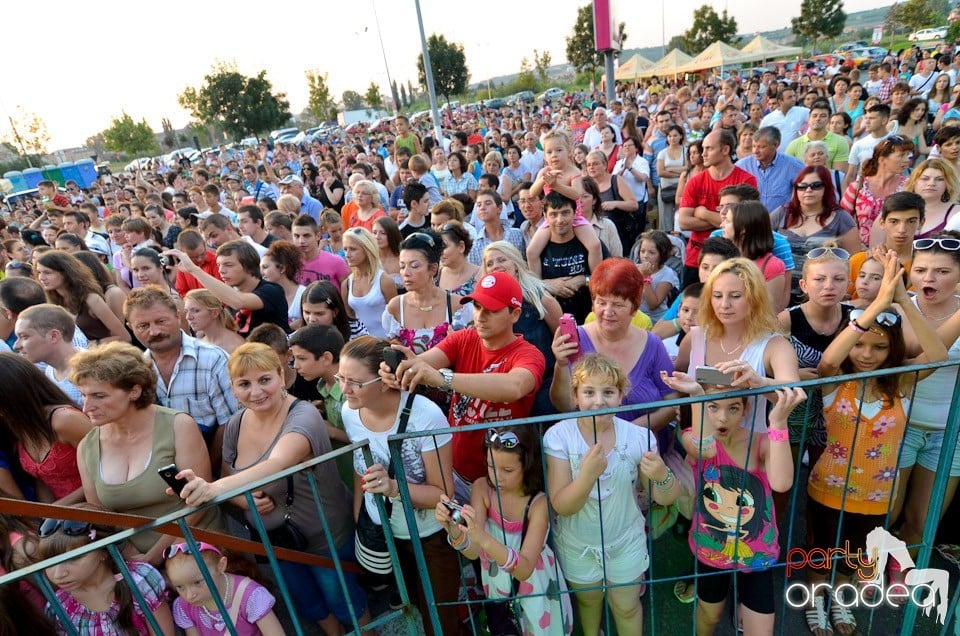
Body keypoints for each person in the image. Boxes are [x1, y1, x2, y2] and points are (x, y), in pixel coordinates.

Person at [176, 343, 370, 636]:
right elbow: (232, 474)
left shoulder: (304, 415)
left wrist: (212, 489)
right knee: (309, 603)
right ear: (233, 387)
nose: (256, 392)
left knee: (343, 601)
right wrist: (242, 500)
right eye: (244, 384)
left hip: (324, 537)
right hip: (276, 541)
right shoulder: (236, 424)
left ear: (281, 375)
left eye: (264, 379)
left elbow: (278, 462)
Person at [807, 250, 947, 635]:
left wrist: (902, 300)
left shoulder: (899, 385)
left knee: (854, 558)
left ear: (893, 352)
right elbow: (829, 360)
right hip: (826, 490)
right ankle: (815, 604)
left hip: (876, 494)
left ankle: (839, 602)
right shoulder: (836, 381)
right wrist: (876, 305)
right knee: (821, 556)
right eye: (861, 345)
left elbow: (937, 353)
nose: (866, 354)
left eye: (879, 347)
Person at [660, 371, 805, 636]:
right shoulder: (692, 436)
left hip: (757, 554)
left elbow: (782, 483)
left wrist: (779, 423)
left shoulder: (760, 442)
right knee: (708, 615)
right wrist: (696, 395)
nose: (723, 418)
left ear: (746, 408)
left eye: (733, 407)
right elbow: (704, 448)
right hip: (711, 551)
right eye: (713, 407)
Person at [545, 354, 680, 636]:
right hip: (577, 543)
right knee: (588, 600)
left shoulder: (638, 437)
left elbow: (664, 497)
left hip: (625, 541)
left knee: (626, 606)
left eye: (608, 392)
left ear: (621, 396)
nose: (599, 401)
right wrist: (586, 476)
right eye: (589, 392)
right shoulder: (558, 437)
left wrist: (661, 476)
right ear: (575, 396)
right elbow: (562, 505)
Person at [386, 271, 545, 506]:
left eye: (491, 310)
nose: (480, 316)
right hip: (457, 473)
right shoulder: (463, 339)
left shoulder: (528, 354)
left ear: (515, 314)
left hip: (504, 482)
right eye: (478, 307)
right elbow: (422, 364)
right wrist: (396, 370)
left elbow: (515, 386)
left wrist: (444, 379)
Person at [334, 337, 459, 636]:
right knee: (414, 603)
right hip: (387, 535)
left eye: (355, 381)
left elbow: (443, 493)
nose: (345, 388)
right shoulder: (349, 411)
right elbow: (358, 467)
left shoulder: (424, 415)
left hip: (430, 536)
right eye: (341, 378)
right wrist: (358, 516)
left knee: (440, 619)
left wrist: (392, 487)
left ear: (384, 379)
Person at [72, 342, 222, 565]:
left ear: (134, 390)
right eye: (83, 395)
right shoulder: (87, 447)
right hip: (133, 560)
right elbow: (103, 518)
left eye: (99, 396)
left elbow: (200, 500)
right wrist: (132, 557)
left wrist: (155, 556)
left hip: (197, 548)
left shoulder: (178, 425)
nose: (86, 407)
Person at [436, 425, 574, 635]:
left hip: (536, 588)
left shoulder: (539, 504)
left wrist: (482, 538)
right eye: (491, 466)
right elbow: (472, 550)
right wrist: (453, 529)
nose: (497, 476)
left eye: (507, 470)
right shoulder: (482, 488)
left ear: (528, 465)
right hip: (497, 584)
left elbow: (525, 568)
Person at [892, 233, 960, 570]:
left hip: (950, 436)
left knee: (921, 521)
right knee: (885, 512)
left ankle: (894, 569)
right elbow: (915, 371)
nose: (929, 278)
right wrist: (904, 301)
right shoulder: (895, 311)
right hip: (898, 427)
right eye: (921, 270)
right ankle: (863, 571)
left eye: (942, 271)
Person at [675, 258, 800, 434]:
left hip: (749, 453)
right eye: (717, 296)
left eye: (735, 296)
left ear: (755, 299)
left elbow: (794, 395)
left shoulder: (775, 345)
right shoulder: (695, 337)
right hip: (697, 449)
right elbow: (677, 379)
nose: (725, 305)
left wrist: (760, 382)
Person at [550, 257, 677, 430]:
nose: (608, 312)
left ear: (634, 308)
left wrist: (627, 434)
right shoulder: (574, 340)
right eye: (601, 302)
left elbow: (672, 404)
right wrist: (561, 364)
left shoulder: (652, 344)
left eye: (617, 305)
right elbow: (564, 406)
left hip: (643, 449)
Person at [125, 286, 238, 463]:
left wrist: (204, 467)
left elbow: (231, 424)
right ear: (131, 328)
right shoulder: (134, 370)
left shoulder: (213, 360)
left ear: (178, 316)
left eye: (161, 321)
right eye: (143, 326)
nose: (154, 332)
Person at [34, 517, 175, 635]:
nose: (59, 574)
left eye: (74, 558)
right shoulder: (59, 606)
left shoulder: (139, 580)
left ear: (103, 552)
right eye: (50, 562)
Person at [481, 241, 563, 416]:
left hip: (544, 384)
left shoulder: (540, 297)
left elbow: (563, 338)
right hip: (505, 386)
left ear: (516, 265)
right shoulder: (482, 307)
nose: (496, 266)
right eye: (490, 263)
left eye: (502, 260)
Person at [0, 352, 91, 504]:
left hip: (97, 510)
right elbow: (43, 479)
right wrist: (45, 516)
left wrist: (55, 510)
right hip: (61, 517)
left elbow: (106, 470)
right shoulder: (19, 425)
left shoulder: (64, 420)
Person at [677, 129, 758, 289]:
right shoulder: (695, 181)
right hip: (697, 259)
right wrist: (725, 219)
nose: (703, 154)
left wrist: (704, 213)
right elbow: (684, 222)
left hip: (734, 258)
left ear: (725, 150)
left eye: (709, 149)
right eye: (703, 148)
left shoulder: (746, 180)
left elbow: (744, 223)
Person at [771, 166, 861, 303]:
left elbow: (854, 261)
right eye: (802, 186)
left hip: (823, 296)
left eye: (816, 185)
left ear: (827, 188)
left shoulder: (841, 218)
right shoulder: (781, 213)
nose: (808, 190)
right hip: (781, 294)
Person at [165, 240, 290, 335]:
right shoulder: (230, 294)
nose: (221, 271)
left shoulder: (272, 290)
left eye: (228, 265)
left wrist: (194, 270)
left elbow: (238, 301)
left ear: (249, 265)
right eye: (219, 265)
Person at [164, 541, 284, 636]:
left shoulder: (250, 595)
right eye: (180, 587)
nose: (189, 595)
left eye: (197, 582)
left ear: (221, 566)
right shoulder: (184, 605)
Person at [384, 230, 471, 354]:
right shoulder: (395, 308)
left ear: (433, 268)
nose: (406, 273)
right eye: (402, 266)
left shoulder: (458, 306)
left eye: (414, 266)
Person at [538, 191, 610, 323]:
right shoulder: (539, 248)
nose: (560, 220)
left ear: (575, 213)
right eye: (553, 214)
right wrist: (548, 285)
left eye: (565, 213)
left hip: (590, 319)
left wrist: (584, 279)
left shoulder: (590, 243)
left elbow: (608, 279)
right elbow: (530, 285)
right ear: (545, 217)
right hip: (553, 323)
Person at [36, 251, 130, 344]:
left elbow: (124, 337)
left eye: (47, 273)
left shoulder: (91, 299)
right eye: (39, 272)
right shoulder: (52, 302)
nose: (41, 277)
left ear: (66, 273)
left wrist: (88, 345)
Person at [841, 134, 914, 247]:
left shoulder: (909, 187)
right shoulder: (857, 187)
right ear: (882, 160)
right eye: (901, 156)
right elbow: (843, 221)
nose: (906, 160)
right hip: (860, 252)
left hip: (895, 252)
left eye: (908, 155)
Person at [13, 303, 83, 406]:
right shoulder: (50, 370)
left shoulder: (89, 370)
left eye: (24, 337)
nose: (16, 346)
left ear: (53, 336)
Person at [341, 227, 397, 339]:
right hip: (360, 346)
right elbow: (350, 319)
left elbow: (396, 317)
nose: (347, 254)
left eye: (353, 249)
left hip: (385, 343)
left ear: (367, 250)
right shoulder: (347, 284)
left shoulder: (384, 280)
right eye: (345, 249)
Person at [583, 150, 640, 258]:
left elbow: (634, 204)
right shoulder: (585, 184)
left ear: (604, 165)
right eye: (589, 165)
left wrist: (615, 204)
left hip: (619, 233)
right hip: (592, 231)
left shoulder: (615, 180)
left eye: (595, 163)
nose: (591, 167)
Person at [735, 126, 806, 212]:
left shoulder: (793, 165)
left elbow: (806, 191)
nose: (755, 151)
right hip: (750, 221)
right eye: (754, 146)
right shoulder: (741, 166)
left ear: (776, 145)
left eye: (761, 147)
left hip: (782, 222)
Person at [905, 158, 960, 238]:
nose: (931, 183)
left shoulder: (957, 212)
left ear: (948, 184)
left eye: (939, 179)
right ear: (914, 182)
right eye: (925, 178)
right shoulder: (898, 208)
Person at [843, 103, 892, 192]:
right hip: (864, 195)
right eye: (866, 118)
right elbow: (850, 176)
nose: (867, 122)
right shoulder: (859, 144)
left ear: (884, 120)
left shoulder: (897, 142)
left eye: (872, 118)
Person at [291, 214, 349, 287]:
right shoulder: (289, 264)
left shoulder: (336, 262)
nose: (301, 241)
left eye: (306, 236)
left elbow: (348, 292)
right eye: (296, 236)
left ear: (318, 236)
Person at [300, 280, 368, 341]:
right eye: (307, 312)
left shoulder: (355, 330)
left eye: (319, 314)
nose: (312, 319)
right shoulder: (298, 339)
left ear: (335, 312)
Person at [636, 230, 680, 322]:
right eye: (642, 251)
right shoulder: (635, 268)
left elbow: (653, 304)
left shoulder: (667, 274)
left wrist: (645, 277)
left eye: (652, 252)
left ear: (662, 255)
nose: (645, 256)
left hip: (655, 320)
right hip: (636, 317)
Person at [260, 240, 306, 328]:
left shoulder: (304, 294)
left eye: (265, 267)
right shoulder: (265, 296)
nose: (261, 273)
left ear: (282, 268)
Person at [184, 289, 245, 354]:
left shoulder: (235, 345)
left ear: (215, 313)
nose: (188, 317)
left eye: (196, 311)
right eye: (186, 311)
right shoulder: (198, 344)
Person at [579, 176, 623, 258]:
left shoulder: (607, 225)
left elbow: (617, 258)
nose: (580, 200)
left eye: (585, 196)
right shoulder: (568, 226)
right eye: (577, 196)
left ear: (594, 200)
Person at [172, 230, 222, 298]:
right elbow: (182, 291)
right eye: (193, 257)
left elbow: (222, 289)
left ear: (204, 244)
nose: (199, 259)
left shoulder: (217, 261)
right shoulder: (183, 266)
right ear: (182, 253)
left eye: (202, 254)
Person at [759, 86, 810, 151]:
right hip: (776, 155)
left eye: (794, 96)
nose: (794, 99)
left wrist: (806, 136)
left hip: (797, 154)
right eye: (790, 97)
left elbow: (815, 122)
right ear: (780, 101)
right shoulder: (768, 119)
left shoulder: (803, 111)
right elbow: (760, 137)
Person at [437, 220, 480, 296]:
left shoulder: (481, 275)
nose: (440, 252)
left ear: (461, 246)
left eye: (444, 246)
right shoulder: (435, 276)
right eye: (438, 248)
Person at [656, 125, 686, 232]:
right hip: (666, 188)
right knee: (665, 217)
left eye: (675, 135)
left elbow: (687, 168)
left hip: (681, 188)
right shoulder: (662, 153)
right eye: (669, 136)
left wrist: (670, 169)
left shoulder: (685, 151)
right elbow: (660, 172)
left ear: (681, 136)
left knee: (680, 215)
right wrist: (679, 173)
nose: (672, 138)